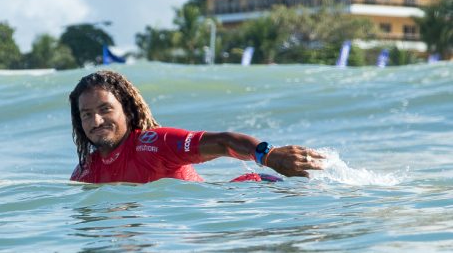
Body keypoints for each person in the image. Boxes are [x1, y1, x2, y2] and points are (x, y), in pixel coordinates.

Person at [69, 70, 325, 184]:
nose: (96, 121)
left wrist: (268, 155)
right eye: (87, 114)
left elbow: (223, 142)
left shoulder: (153, 143)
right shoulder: (84, 173)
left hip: (253, 192)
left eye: (105, 110)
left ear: (125, 108)